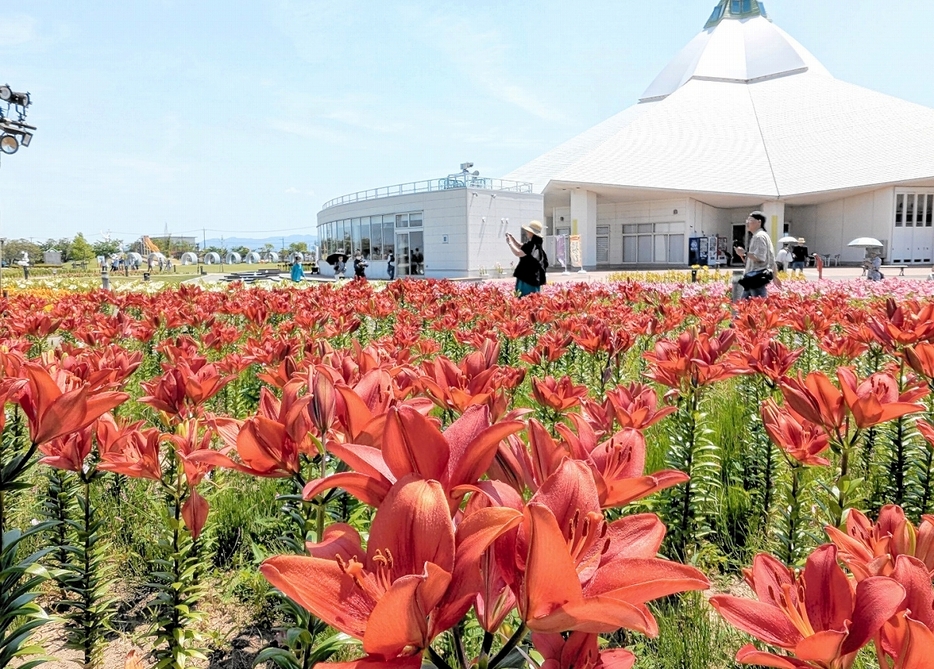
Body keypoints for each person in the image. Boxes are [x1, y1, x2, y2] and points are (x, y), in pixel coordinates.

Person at [734, 211, 781, 299]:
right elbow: (770, 258)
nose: (747, 222)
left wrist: (744, 253)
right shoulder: (762, 235)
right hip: (754, 278)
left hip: (756, 278)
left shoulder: (759, 236)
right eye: (747, 220)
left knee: (757, 306)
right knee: (745, 306)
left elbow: (760, 257)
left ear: (759, 222)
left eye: (750, 220)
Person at [506, 220, 549, 297]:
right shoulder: (536, 244)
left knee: (525, 298)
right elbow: (521, 246)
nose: (527, 232)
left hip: (527, 278)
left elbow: (518, 253)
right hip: (533, 277)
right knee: (534, 299)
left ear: (532, 233)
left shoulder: (531, 245)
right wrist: (513, 239)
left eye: (528, 231)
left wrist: (510, 243)